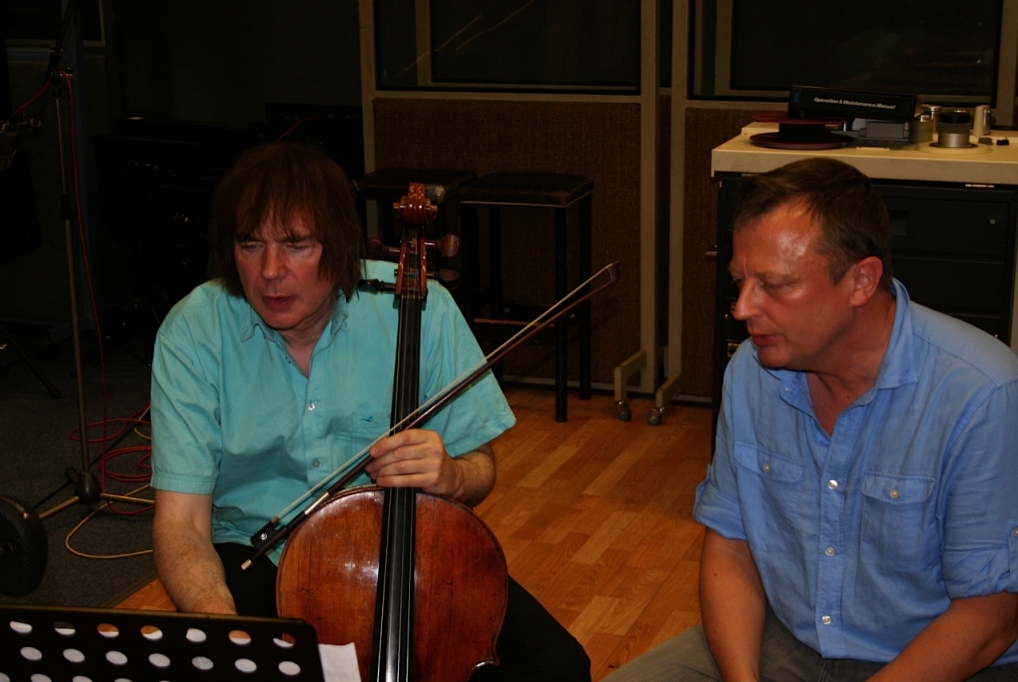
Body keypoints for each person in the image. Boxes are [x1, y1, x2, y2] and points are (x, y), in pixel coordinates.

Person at [149, 141, 590, 681]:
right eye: (249, 245)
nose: (269, 271)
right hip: (256, 556)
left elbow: (481, 471)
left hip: (401, 547)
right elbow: (180, 526)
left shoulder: (420, 306)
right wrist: (235, 640)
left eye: (295, 245)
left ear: (337, 246)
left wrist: (451, 475)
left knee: (559, 667)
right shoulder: (193, 332)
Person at [606, 157, 1018, 681]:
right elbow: (731, 546)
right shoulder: (751, 372)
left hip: (941, 659)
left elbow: (990, 618)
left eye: (774, 286)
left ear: (861, 281)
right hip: (791, 641)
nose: (742, 308)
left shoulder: (983, 395)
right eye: (741, 281)